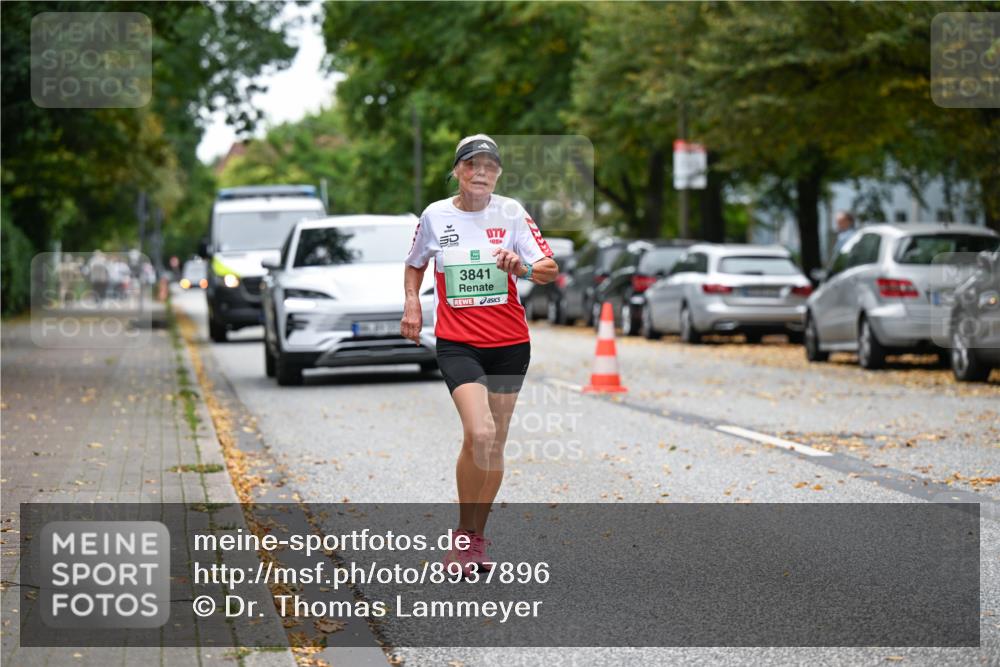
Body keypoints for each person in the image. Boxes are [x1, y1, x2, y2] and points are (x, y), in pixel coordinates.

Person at [400, 134, 558, 575]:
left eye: (489, 165)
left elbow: (548, 268)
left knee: (493, 445)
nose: (481, 172)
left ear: (499, 173)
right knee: (480, 431)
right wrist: (413, 301)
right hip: (458, 342)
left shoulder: (511, 212)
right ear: (457, 171)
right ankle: (464, 536)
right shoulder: (435, 215)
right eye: (472, 164)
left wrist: (521, 267)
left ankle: (473, 540)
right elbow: (415, 262)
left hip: (509, 343)